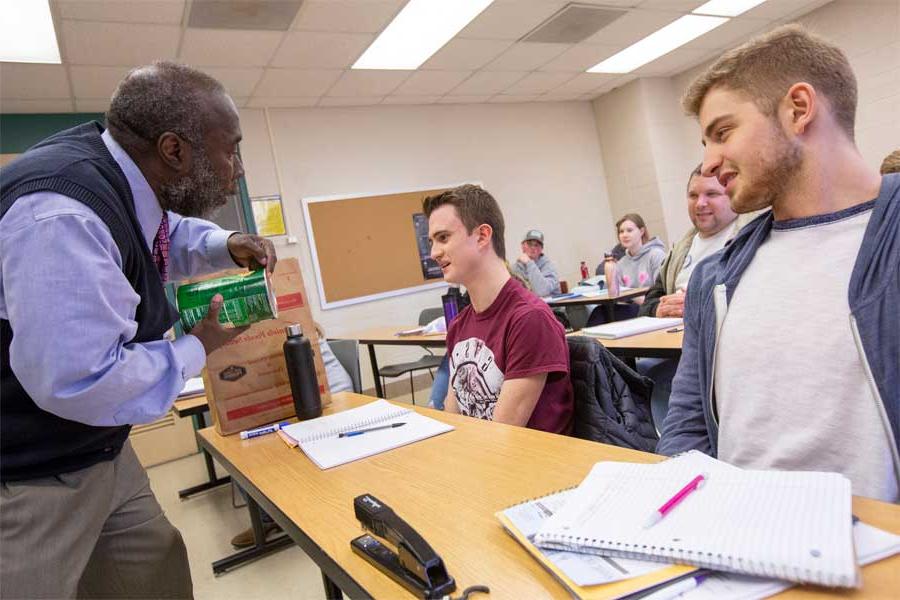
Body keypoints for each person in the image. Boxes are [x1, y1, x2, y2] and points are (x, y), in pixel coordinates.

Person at [0, 61, 278, 598]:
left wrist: (225, 243)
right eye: (231, 149)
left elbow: (156, 230)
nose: (237, 169)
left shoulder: (119, 172)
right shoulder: (61, 217)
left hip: (101, 450)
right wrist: (198, 346)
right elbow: (81, 380)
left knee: (155, 572)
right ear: (174, 151)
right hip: (29, 473)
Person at [657, 25, 899, 503]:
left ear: (799, 109)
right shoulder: (715, 277)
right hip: (740, 551)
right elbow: (685, 427)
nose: (708, 163)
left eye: (722, 133)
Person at [424, 184, 573, 434]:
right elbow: (453, 421)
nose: (433, 253)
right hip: (480, 461)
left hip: (525, 468)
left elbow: (501, 438)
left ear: (482, 236)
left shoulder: (529, 319)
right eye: (432, 241)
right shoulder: (459, 325)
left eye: (443, 238)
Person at [230, 324, 352, 548]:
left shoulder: (290, 324)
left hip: (331, 395)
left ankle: (281, 514)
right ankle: (269, 515)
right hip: (298, 398)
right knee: (239, 444)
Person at [640, 166, 741, 318]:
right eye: (693, 196)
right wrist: (660, 309)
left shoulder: (749, 240)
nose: (700, 203)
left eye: (711, 194)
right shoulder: (679, 251)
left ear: (733, 195)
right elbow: (647, 304)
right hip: (672, 334)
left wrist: (698, 305)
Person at [512, 229, 561, 297]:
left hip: (551, 306)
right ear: (522, 246)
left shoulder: (549, 267)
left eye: (537, 245)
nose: (533, 247)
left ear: (541, 249)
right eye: (529, 244)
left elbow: (542, 291)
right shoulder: (516, 268)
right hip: (527, 306)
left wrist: (529, 262)